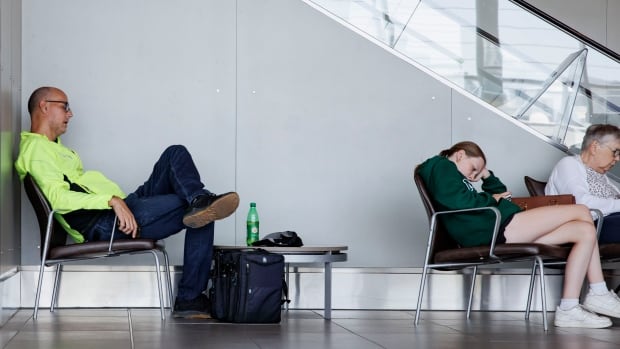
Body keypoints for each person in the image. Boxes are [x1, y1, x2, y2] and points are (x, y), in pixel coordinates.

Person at [15, 86, 240, 319]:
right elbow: (57, 198)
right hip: (105, 223)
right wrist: (112, 201)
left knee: (175, 154)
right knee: (204, 212)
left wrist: (118, 202)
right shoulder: (37, 149)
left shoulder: (55, 148)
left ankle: (198, 198)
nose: (70, 114)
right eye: (65, 107)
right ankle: (189, 298)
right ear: (44, 106)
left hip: (123, 207)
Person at [416, 140, 620, 328]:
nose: (472, 176)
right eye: (473, 169)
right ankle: (598, 292)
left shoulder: (455, 175)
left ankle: (569, 307)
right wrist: (493, 199)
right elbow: (461, 203)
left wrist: (486, 175)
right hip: (494, 229)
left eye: (476, 173)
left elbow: (502, 193)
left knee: (584, 230)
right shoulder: (442, 166)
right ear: (460, 155)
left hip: (498, 226)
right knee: (582, 211)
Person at [546, 124, 620, 244]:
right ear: (595, 147)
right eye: (615, 152)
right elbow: (581, 203)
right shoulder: (569, 164)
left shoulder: (602, 176)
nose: (617, 159)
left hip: (608, 222)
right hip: (590, 226)